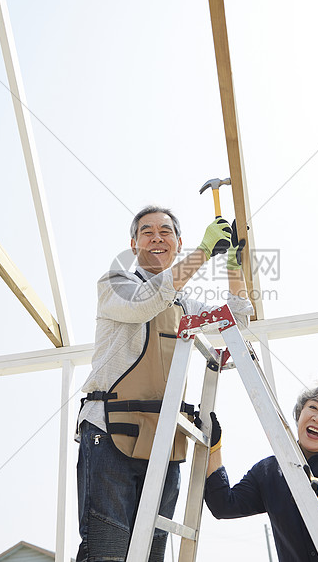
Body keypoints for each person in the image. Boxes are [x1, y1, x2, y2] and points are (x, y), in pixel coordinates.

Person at [76, 205, 253, 562]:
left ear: (178, 242)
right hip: (110, 432)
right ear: (133, 243)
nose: (157, 238)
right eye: (147, 232)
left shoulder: (184, 303)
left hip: (165, 438)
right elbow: (145, 304)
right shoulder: (115, 285)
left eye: (166, 232)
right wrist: (203, 253)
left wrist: (233, 264)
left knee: (152, 553)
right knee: (107, 551)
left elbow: (237, 319)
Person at [203, 379, 318, 562]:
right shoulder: (269, 471)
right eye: (313, 407)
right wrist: (213, 448)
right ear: (299, 414)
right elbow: (223, 505)